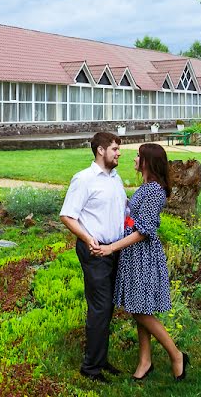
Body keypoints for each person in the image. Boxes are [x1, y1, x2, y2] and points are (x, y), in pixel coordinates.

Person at [93, 142, 190, 382]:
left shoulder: (154, 190)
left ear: (147, 161)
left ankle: (176, 355)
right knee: (139, 307)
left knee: (140, 311)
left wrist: (111, 248)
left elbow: (144, 230)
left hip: (142, 254)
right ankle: (145, 361)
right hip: (134, 254)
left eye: (138, 156)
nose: (133, 159)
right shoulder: (146, 187)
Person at [59, 132, 127, 383]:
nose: (119, 153)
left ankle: (100, 359)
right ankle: (90, 369)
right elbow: (67, 216)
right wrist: (88, 239)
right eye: (115, 149)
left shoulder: (115, 178)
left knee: (107, 307)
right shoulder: (84, 179)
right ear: (100, 150)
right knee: (100, 308)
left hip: (114, 250)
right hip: (95, 251)